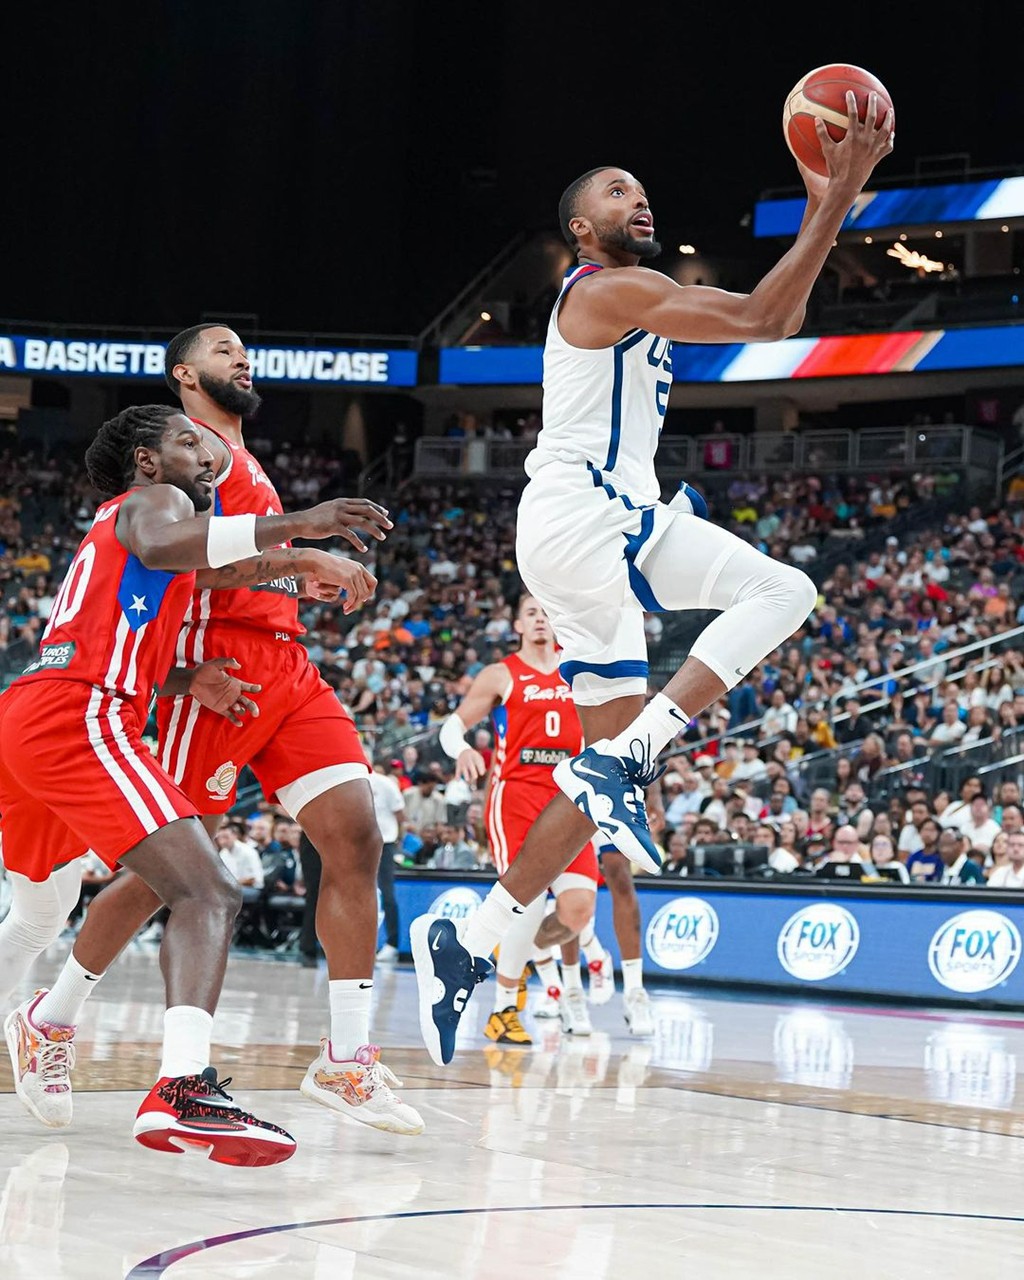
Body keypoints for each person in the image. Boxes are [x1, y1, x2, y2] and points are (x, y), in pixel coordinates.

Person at [412, 98, 895, 1064]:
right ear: (580, 229)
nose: (638, 197)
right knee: (786, 594)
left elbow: (785, 314)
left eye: (639, 187)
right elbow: (763, 316)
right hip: (589, 512)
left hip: (579, 530)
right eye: (614, 191)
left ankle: (473, 938)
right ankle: (624, 759)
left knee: (602, 779)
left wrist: (826, 205)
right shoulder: (604, 288)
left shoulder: (636, 291)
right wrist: (837, 195)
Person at [22, 327, 422, 1137]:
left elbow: (235, 571)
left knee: (355, 834)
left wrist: (297, 583)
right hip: (219, 670)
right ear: (184, 374)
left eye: (244, 349)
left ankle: (346, 1060)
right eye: (222, 350)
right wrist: (305, 555)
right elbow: (187, 564)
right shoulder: (186, 463)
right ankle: (52, 1017)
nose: (241, 359)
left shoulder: (237, 458)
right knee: (177, 870)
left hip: (288, 665)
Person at [438, 594, 626, 1045]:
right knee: (527, 899)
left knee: (578, 910)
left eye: (546, 613)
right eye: (531, 614)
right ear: (518, 625)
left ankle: (525, 951)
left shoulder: (578, 668)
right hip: (516, 797)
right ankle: (504, 1008)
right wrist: (461, 749)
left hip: (569, 796)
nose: (540, 619)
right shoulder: (501, 673)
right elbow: (452, 725)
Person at [365, 747, 406, 964]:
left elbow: (400, 815)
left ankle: (392, 943)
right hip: (359, 845)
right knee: (357, 893)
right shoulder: (347, 785)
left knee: (387, 893)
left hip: (385, 843)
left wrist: (398, 840)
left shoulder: (385, 784)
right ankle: (359, 943)